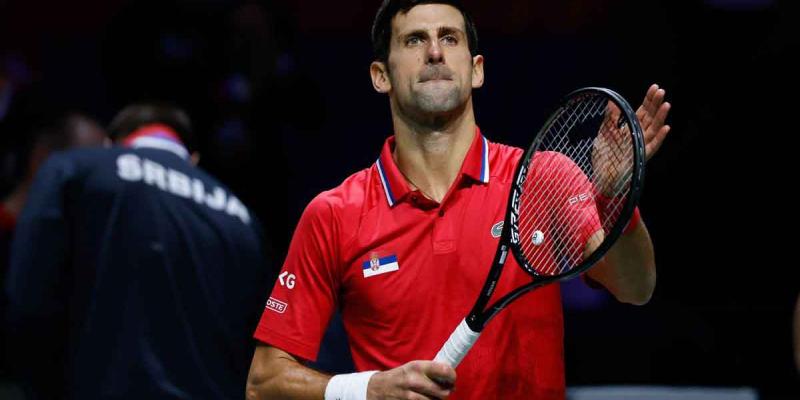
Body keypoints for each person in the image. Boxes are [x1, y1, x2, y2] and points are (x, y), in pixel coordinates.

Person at [246, 1, 671, 399]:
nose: (434, 52)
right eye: (414, 40)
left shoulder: (542, 178)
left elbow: (636, 287)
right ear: (381, 76)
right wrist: (367, 389)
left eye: (450, 38)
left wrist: (614, 196)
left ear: (476, 70)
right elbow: (264, 381)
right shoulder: (335, 214)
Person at [5, 104, 270, 399]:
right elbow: (259, 353)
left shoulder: (75, 168)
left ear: (111, 144)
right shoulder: (244, 219)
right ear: (192, 158)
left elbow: (28, 295)